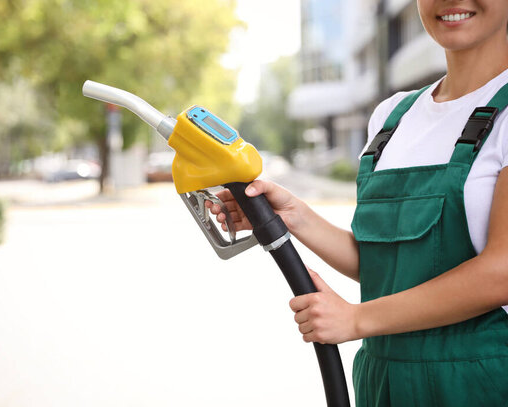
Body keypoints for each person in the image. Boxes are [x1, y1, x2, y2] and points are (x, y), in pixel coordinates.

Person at [207, 1, 508, 405]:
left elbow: (499, 272)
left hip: (479, 383)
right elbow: (388, 269)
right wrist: (292, 216)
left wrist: (356, 319)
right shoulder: (392, 118)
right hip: (381, 379)